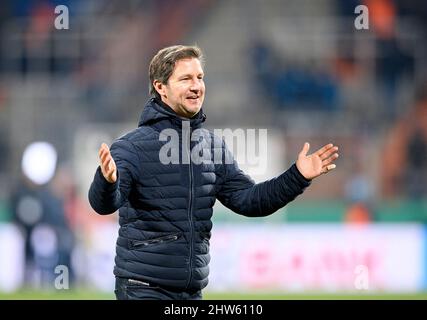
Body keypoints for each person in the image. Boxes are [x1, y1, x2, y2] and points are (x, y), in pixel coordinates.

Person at [88, 45, 339, 300]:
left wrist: (297, 176)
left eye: (199, 77)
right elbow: (103, 204)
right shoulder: (131, 147)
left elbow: (250, 201)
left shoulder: (212, 146)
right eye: (185, 78)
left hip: (191, 293)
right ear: (161, 87)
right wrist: (107, 181)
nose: (196, 86)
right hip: (142, 289)